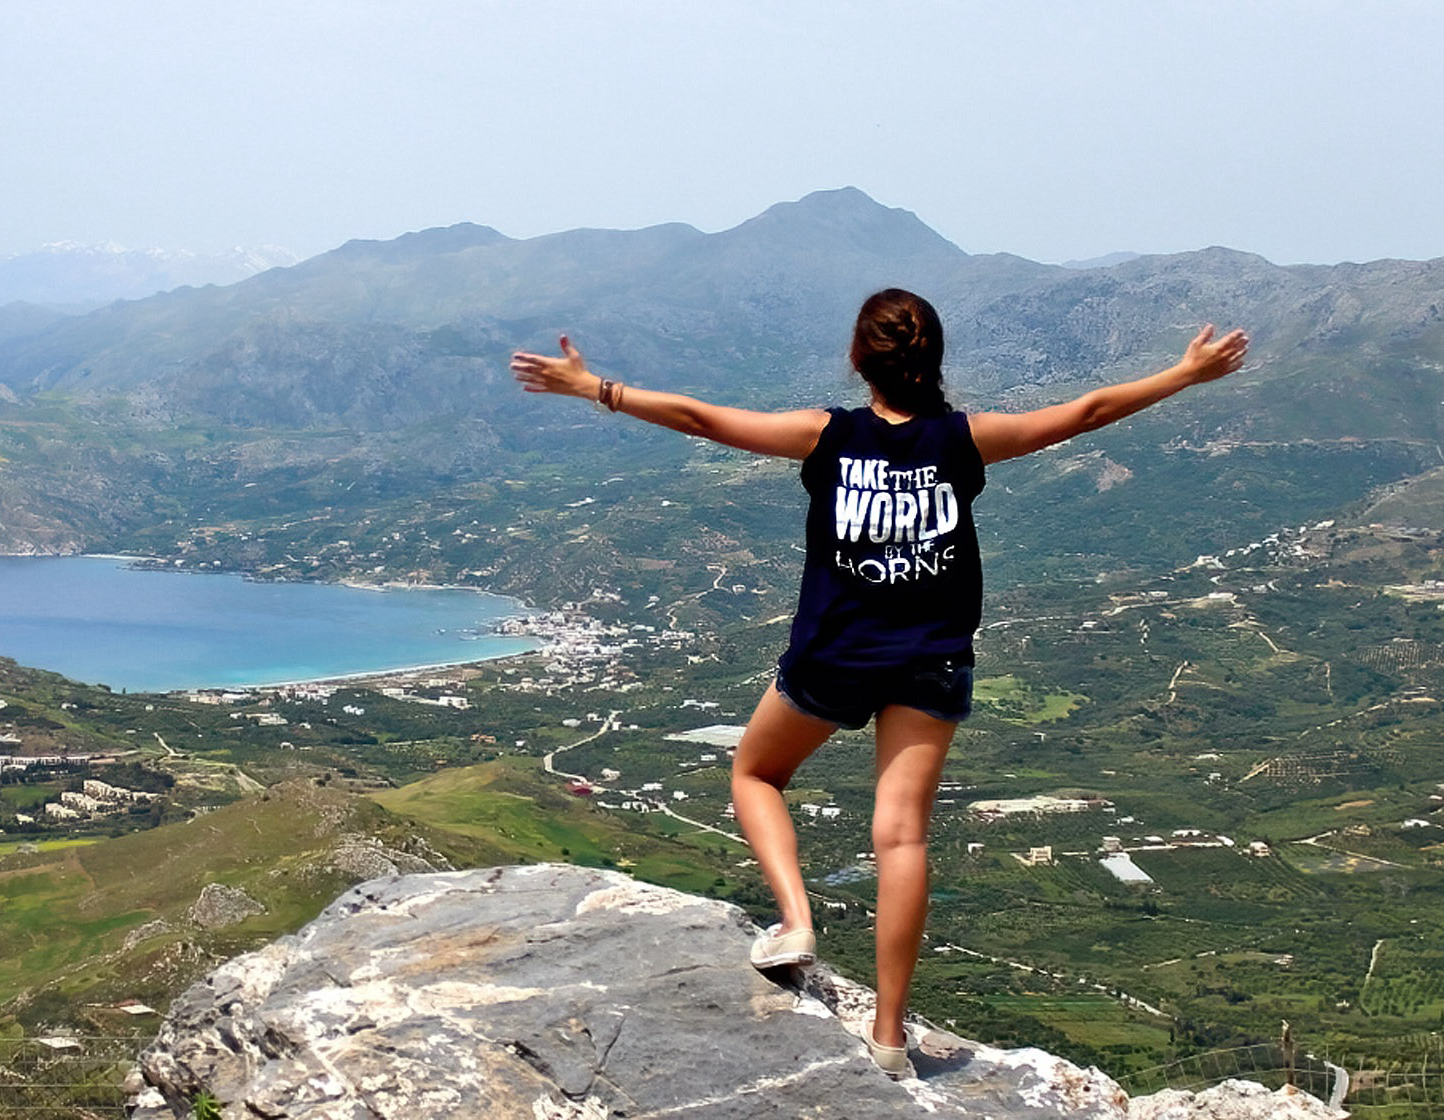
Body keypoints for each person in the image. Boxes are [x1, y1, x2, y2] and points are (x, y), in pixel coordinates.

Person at [510, 289, 1248, 1076]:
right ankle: (889, 1038)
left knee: (756, 773)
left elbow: (701, 419)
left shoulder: (827, 435)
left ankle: (795, 920)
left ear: (860, 360)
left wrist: (595, 387)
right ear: (933, 362)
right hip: (931, 655)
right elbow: (1089, 412)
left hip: (836, 652)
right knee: (901, 836)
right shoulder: (965, 439)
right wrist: (1182, 374)